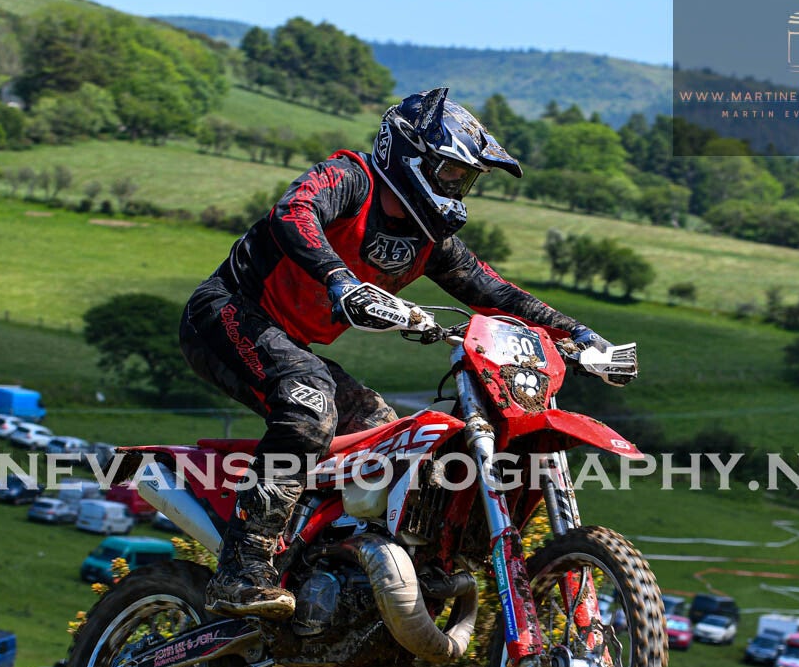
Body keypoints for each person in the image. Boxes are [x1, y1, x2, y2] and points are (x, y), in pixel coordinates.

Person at [180, 88, 622, 617]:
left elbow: (493, 290)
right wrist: (340, 280)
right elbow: (293, 212)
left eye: (465, 179)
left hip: (291, 344)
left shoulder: (428, 237)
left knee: (386, 436)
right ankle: (242, 569)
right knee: (309, 407)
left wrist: (580, 335)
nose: (456, 187)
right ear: (410, 155)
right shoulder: (352, 179)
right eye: (450, 172)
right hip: (227, 312)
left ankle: (328, 566)